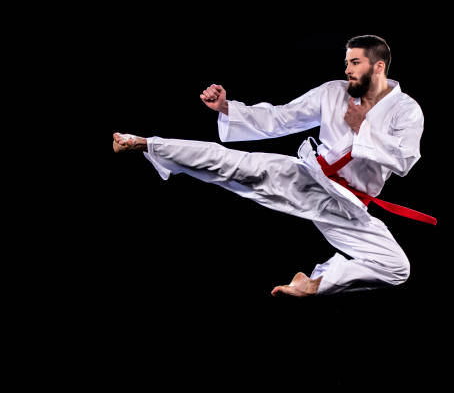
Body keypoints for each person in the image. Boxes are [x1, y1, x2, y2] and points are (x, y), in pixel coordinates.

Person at [113, 35, 435, 297]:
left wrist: (363, 128)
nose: (347, 69)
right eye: (346, 62)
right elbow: (281, 118)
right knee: (234, 164)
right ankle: (144, 142)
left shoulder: (406, 110)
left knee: (397, 268)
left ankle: (315, 284)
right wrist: (226, 107)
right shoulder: (332, 93)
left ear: (378, 66)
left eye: (355, 62)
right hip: (309, 177)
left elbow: (405, 160)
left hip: (348, 205)